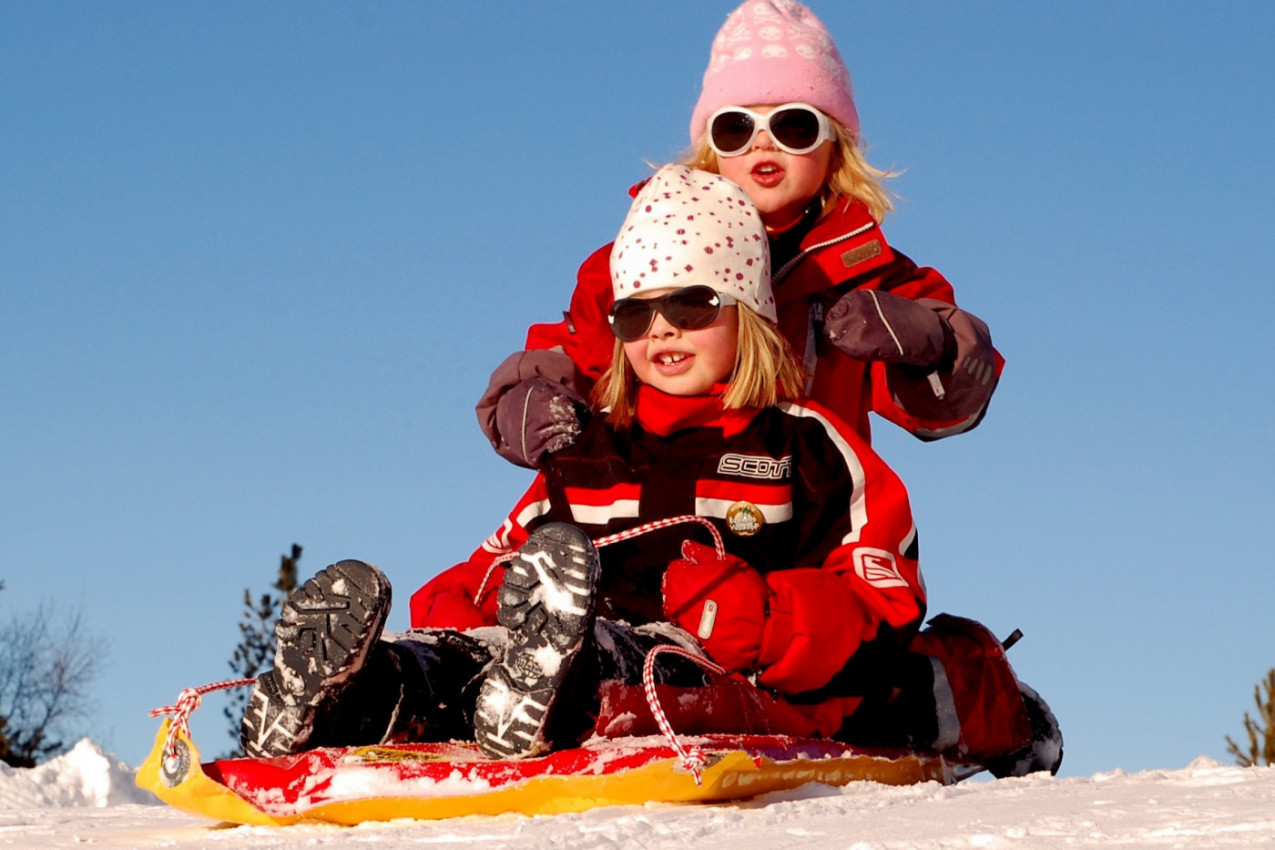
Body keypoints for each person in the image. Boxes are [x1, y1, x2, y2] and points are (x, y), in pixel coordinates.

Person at [240, 167, 1060, 776]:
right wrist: (467, 606)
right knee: (467, 661)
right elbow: (492, 561)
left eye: (692, 305)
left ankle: (541, 686)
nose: (661, 328)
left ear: (747, 317)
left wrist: (762, 616)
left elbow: (881, 605)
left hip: (713, 669)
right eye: (635, 313)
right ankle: (354, 695)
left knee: (630, 668)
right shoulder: (591, 450)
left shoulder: (805, 446)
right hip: (556, 646)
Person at [478, 0, 1003, 472]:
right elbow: (582, 350)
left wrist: (929, 347)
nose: (762, 144)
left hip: (807, 508)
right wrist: (533, 395)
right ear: (712, 147)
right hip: (664, 496)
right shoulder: (646, 255)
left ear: (835, 145)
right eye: (737, 127)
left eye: (794, 126)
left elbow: (947, 410)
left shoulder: (869, 275)